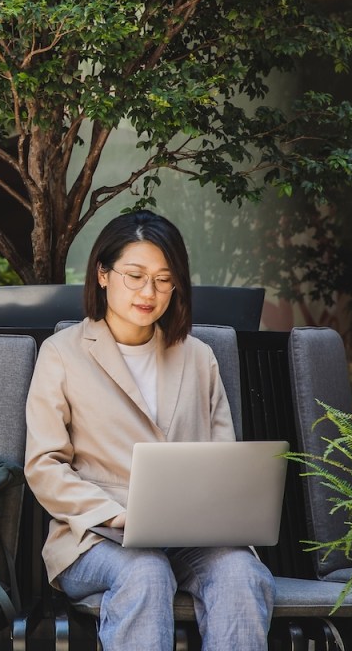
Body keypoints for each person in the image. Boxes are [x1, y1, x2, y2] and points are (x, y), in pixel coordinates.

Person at [24, 210, 274, 651]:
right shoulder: (62, 354)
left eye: (163, 279)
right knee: (145, 571)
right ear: (102, 274)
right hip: (96, 538)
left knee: (242, 573)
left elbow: (223, 459)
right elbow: (44, 466)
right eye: (135, 275)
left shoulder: (197, 356)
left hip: (191, 536)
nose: (148, 292)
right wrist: (115, 514)